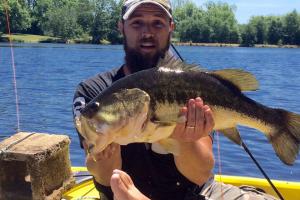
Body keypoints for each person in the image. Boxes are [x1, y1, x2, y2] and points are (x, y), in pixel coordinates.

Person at [73, 0, 278, 199]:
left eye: (157, 23)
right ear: (121, 27)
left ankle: (278, 125)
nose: (147, 33)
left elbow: (200, 174)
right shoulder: (93, 91)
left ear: (171, 27)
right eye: (137, 23)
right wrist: (102, 152)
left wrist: (183, 139)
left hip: (194, 194)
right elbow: (105, 176)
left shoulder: (194, 85)